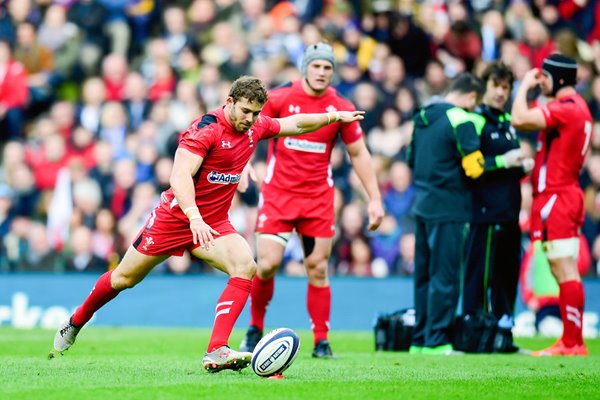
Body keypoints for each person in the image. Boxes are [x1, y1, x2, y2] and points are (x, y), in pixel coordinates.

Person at [50, 76, 365, 373]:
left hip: (213, 223)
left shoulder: (255, 128)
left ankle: (217, 349)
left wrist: (333, 117)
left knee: (246, 266)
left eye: (256, 113)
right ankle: (76, 321)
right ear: (229, 102)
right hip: (175, 218)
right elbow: (179, 176)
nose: (251, 119)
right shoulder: (206, 128)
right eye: (245, 111)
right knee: (123, 279)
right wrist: (194, 216)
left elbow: (292, 123)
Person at [239, 42, 384, 358]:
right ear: (306, 67)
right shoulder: (280, 97)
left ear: (333, 72)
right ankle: (254, 328)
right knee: (267, 264)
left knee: (317, 268)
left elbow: (358, 153)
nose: (321, 72)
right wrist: (244, 160)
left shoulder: (341, 106)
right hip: (278, 194)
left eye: (327, 67)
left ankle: (321, 340)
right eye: (316, 66)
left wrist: (374, 198)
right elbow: (247, 125)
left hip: (318, 198)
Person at [407, 73, 518, 355]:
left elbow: (410, 159)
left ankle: (420, 340)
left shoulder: (422, 117)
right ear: (471, 97)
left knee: (423, 277)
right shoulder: (461, 119)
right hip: (450, 208)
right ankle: (437, 340)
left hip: (421, 205)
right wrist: (503, 161)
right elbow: (475, 168)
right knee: (445, 277)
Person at [511, 54, 592, 356]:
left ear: (558, 78)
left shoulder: (568, 109)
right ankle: (571, 340)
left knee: (564, 267)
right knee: (562, 269)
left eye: (544, 76)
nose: (540, 80)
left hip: (558, 196)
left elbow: (519, 119)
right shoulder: (576, 109)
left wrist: (524, 87)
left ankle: (573, 342)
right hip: (560, 194)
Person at [462, 62, 532, 353]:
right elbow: (470, 168)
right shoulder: (475, 121)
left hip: (509, 213)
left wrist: (521, 168)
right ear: (484, 87)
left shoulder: (507, 123)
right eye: (496, 86)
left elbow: (507, 169)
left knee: (506, 279)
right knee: (480, 277)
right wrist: (504, 162)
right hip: (484, 214)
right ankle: (476, 337)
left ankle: (503, 336)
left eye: (506, 87)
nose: (501, 92)